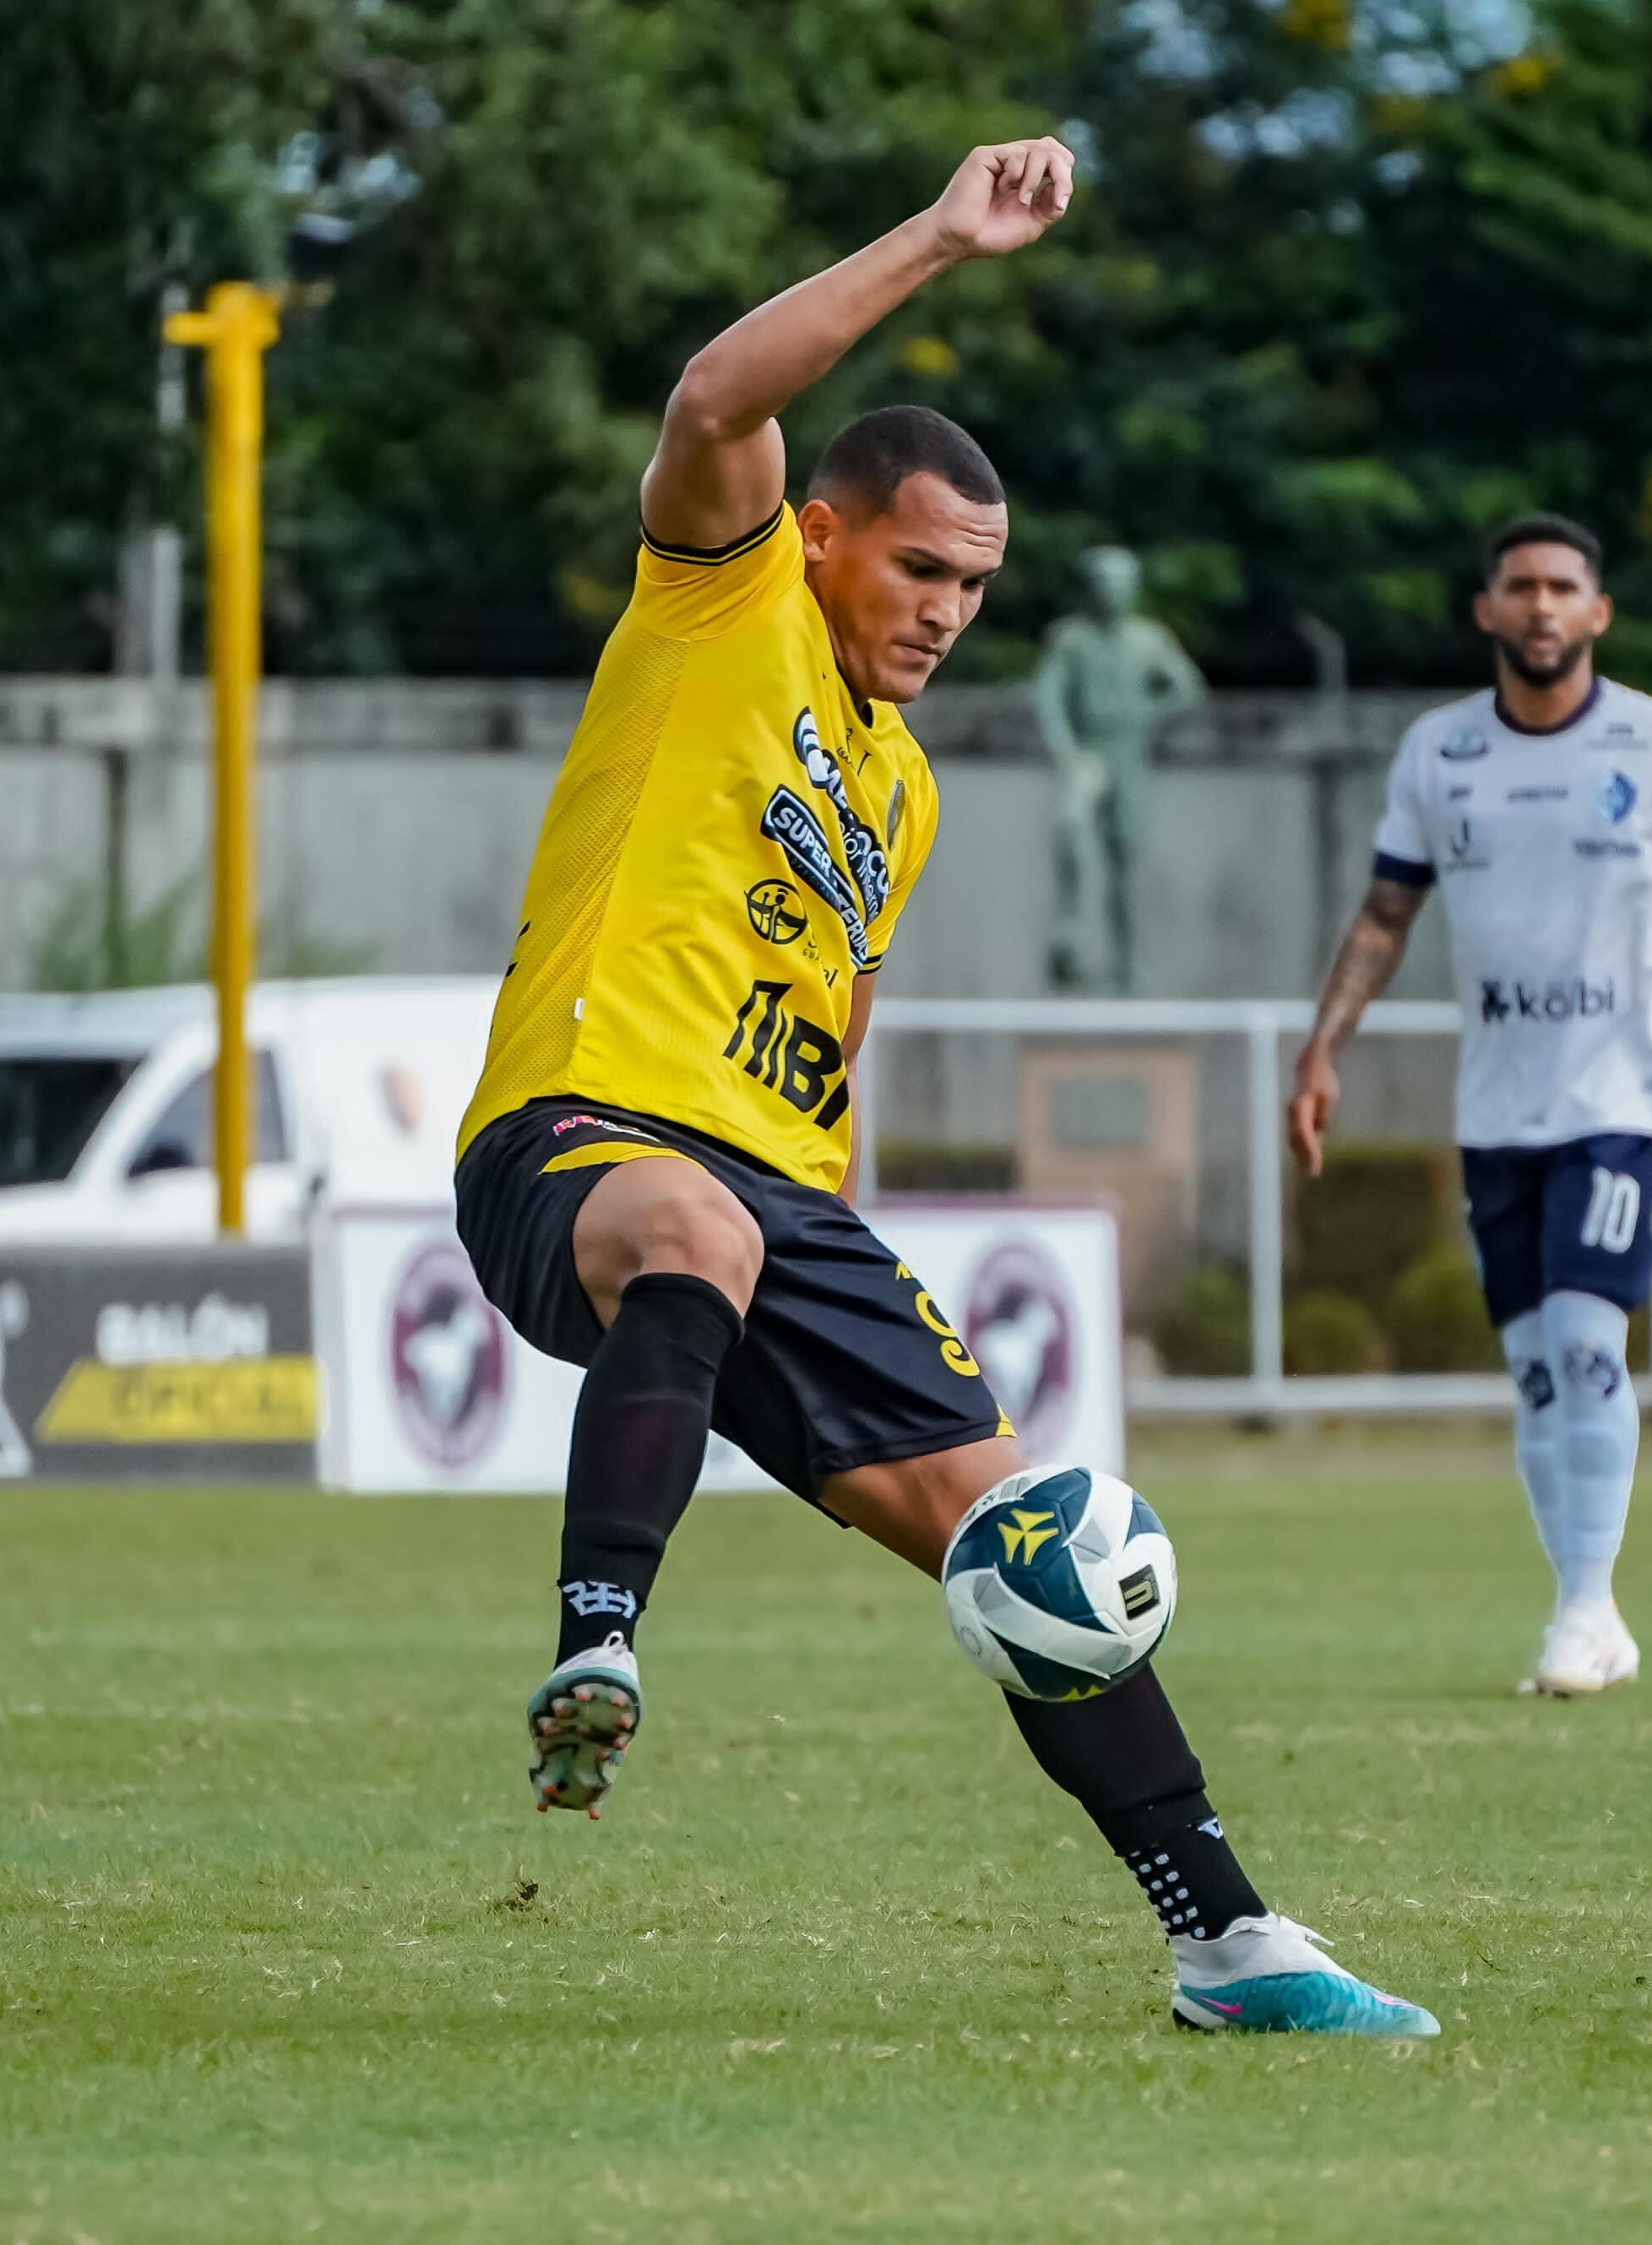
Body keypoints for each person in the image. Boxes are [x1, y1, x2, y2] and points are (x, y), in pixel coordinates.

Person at [449, 137, 1436, 2037]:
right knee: (691, 1220)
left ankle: (1224, 1937)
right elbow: (713, 395)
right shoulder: (716, 607)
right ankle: (599, 1647)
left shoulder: (900, 788)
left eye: (977, 586)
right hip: (579, 1139)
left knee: (1018, 1537)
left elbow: (835, 1024)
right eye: (921, 565)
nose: (947, 610)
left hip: (776, 1200)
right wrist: (942, 239)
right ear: (818, 530)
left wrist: (827, 1223)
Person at [1287, 515, 1652, 1697]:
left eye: (1564, 587)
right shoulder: (1436, 753)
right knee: (1538, 1371)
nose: (1542, 605)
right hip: (1499, 1110)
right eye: (1521, 587)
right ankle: (1583, 1610)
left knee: (1585, 1338)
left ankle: (1589, 1604)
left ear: (1598, 612)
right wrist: (1320, 1052)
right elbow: (1385, 917)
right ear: (1487, 612)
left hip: (1624, 1104)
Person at [1033, 546, 1207, 993]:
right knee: (1070, 826)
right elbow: (1047, 696)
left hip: (1127, 752)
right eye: (1103, 585)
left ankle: (1128, 964)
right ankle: (1068, 930)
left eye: (1118, 585)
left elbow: (1186, 687)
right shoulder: (1071, 638)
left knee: (1124, 862)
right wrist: (1066, 750)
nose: (1110, 594)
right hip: (1089, 751)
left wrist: (1145, 714)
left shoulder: (1148, 639)